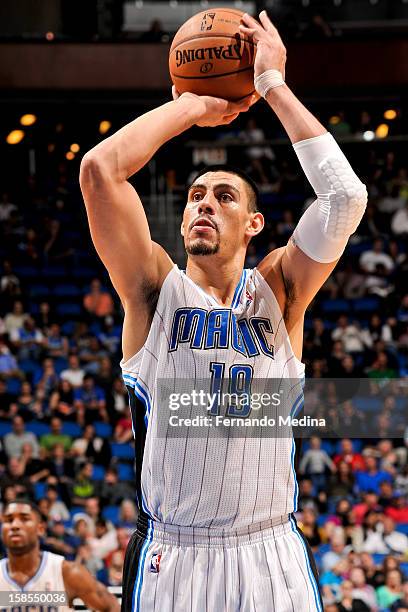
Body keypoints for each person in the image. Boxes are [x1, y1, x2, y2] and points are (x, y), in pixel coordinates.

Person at [80, 10, 367, 611]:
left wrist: (271, 87)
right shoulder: (155, 292)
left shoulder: (280, 291)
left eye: (224, 195)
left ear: (254, 224)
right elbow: (100, 171)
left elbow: (344, 197)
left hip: (269, 552)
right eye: (194, 197)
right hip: (174, 556)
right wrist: (192, 104)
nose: (204, 204)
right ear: (182, 222)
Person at [0, 500, 119, 611]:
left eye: (24, 519)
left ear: (40, 529)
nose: (14, 525)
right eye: (8, 520)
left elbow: (112, 607)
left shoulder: (67, 573)